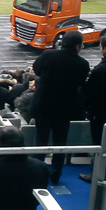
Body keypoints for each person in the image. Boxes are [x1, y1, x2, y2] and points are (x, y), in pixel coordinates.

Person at [31, 30, 90, 184]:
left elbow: (37, 70)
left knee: (41, 140)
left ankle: (38, 171)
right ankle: (56, 172)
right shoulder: (82, 64)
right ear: (78, 46)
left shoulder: (49, 55)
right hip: (64, 108)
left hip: (43, 105)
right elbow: (80, 84)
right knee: (60, 142)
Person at [81, 35, 106, 183]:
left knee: (102, 146)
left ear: (105, 49)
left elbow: (90, 93)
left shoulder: (102, 70)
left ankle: (100, 175)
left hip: (102, 114)